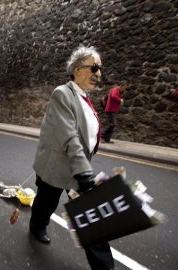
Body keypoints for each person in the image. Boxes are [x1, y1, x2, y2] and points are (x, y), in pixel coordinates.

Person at [29, 45, 115, 270]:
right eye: (94, 67)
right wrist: (84, 171)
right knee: (46, 202)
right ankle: (37, 226)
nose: (98, 74)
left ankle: (104, 267)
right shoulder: (62, 93)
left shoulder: (83, 97)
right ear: (77, 69)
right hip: (58, 166)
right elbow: (69, 136)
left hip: (78, 166)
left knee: (90, 216)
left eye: (100, 69)